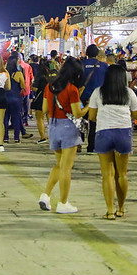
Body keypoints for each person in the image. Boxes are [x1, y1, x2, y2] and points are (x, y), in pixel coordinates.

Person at [38, 57, 88, 214]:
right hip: (68, 128)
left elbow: (45, 109)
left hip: (53, 127)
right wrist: (88, 106)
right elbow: (77, 113)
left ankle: (45, 195)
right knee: (66, 168)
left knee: (59, 166)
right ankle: (63, 203)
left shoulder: (50, 86)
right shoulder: (72, 89)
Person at [91, 64, 137, 219]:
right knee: (122, 174)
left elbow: (91, 116)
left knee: (107, 175)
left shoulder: (98, 92)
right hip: (123, 133)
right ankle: (121, 208)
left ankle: (110, 211)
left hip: (103, 132)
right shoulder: (129, 93)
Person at [81, 44, 108, 154]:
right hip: (99, 98)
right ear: (97, 54)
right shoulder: (104, 66)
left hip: (83, 97)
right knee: (94, 122)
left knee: (80, 120)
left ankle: (78, 143)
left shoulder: (81, 64)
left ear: (86, 54)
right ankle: (91, 146)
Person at [3, 55, 26, 143]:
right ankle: (16, 137)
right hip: (16, 98)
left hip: (5, 97)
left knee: (5, 118)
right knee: (16, 117)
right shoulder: (19, 73)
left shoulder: (4, 73)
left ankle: (5, 137)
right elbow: (23, 86)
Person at [30, 58, 51, 143]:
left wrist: (31, 87)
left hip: (41, 98)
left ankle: (42, 137)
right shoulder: (52, 74)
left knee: (40, 118)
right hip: (51, 97)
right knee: (50, 117)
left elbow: (35, 88)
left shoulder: (40, 74)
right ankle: (52, 135)